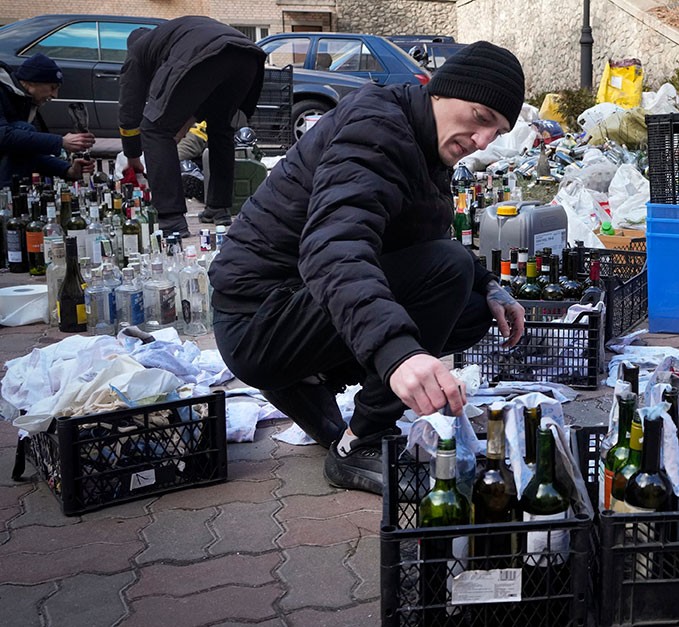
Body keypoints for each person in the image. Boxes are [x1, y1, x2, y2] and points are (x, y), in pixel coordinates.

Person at [209, 41, 528, 495]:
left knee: (474, 307)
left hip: (296, 307)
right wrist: (399, 353)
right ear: (441, 91)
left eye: (495, 133)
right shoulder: (377, 127)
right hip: (257, 319)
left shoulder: (423, 140)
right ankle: (362, 442)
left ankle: (307, 378)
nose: (481, 141)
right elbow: (333, 246)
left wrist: (491, 285)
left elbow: (425, 237)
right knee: (448, 272)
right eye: (480, 117)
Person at [119, 16, 266, 235]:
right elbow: (194, 99)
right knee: (220, 129)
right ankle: (218, 208)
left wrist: (132, 156)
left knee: (154, 130)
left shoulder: (139, 51)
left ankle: (171, 220)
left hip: (207, 54)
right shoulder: (174, 35)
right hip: (247, 56)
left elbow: (130, 110)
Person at [0, 53, 95, 182]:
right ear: (32, 81)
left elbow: (30, 152)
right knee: (23, 129)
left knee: (25, 135)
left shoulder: (26, 102)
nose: (55, 95)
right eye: (52, 87)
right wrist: (61, 142)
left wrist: (67, 170)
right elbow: (3, 136)